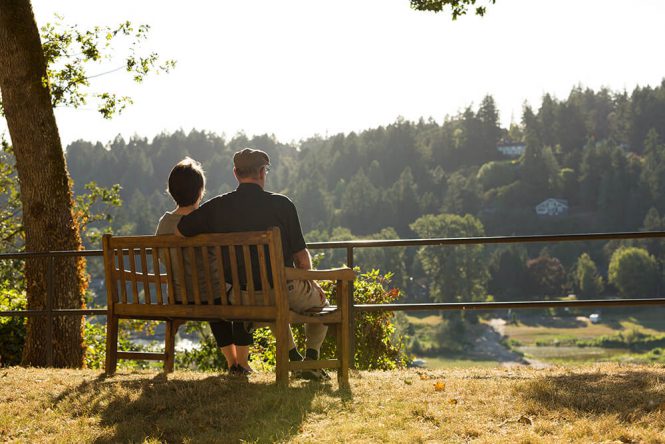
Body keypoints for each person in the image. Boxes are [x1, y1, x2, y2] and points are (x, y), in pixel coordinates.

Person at [177, 148, 330, 381]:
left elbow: (181, 230)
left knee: (271, 301)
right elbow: (301, 258)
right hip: (284, 291)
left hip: (241, 296)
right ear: (261, 172)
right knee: (321, 305)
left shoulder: (218, 206)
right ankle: (311, 359)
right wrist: (311, 283)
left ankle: (295, 358)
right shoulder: (282, 205)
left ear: (236, 173)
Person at [155, 157, 253, 376]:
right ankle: (240, 363)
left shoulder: (164, 223)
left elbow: (162, 256)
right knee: (241, 296)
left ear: (171, 191)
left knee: (212, 296)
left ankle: (233, 363)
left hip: (179, 295)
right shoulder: (206, 220)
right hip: (213, 294)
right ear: (200, 191)